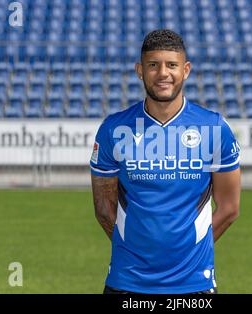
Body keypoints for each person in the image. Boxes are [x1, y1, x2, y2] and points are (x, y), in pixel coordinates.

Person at [90, 29, 241, 294]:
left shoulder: (215, 128)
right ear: (140, 70)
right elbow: (104, 207)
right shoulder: (113, 129)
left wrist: (188, 252)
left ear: (186, 70)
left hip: (195, 284)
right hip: (128, 282)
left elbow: (229, 208)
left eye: (172, 65)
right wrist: (136, 249)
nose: (163, 73)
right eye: (153, 65)